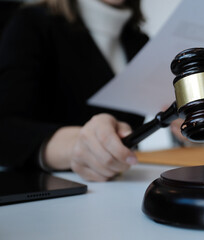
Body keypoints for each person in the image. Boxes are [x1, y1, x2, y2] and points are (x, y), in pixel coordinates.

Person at [0, 0, 184, 181]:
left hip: (126, 184)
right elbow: (6, 127)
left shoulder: (138, 41)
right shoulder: (31, 23)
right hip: (56, 190)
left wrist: (184, 126)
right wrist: (76, 145)